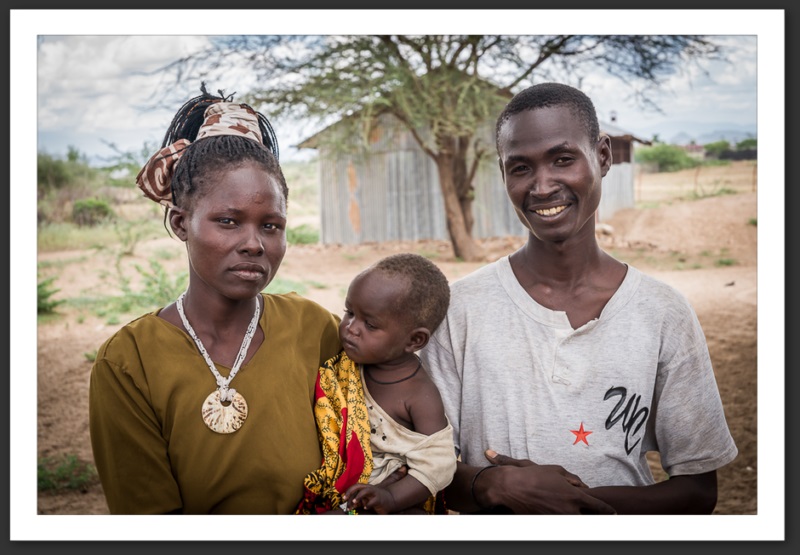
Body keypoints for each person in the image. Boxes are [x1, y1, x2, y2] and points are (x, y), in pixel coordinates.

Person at [418, 82, 739, 515]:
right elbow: (420, 470)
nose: (543, 185)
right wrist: (493, 485)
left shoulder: (662, 313)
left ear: (602, 157)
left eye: (563, 159)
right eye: (520, 168)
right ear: (504, 175)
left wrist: (560, 501)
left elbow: (698, 492)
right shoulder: (460, 310)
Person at [88, 83, 344, 514]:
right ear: (181, 222)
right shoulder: (129, 362)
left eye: (271, 226)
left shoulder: (315, 329)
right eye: (228, 221)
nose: (253, 244)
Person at [295, 253, 457, 515]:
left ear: (414, 340)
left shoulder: (418, 394)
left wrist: (391, 497)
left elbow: (438, 464)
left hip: (390, 499)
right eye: (349, 312)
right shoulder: (345, 366)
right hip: (339, 492)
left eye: (370, 324)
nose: (351, 328)